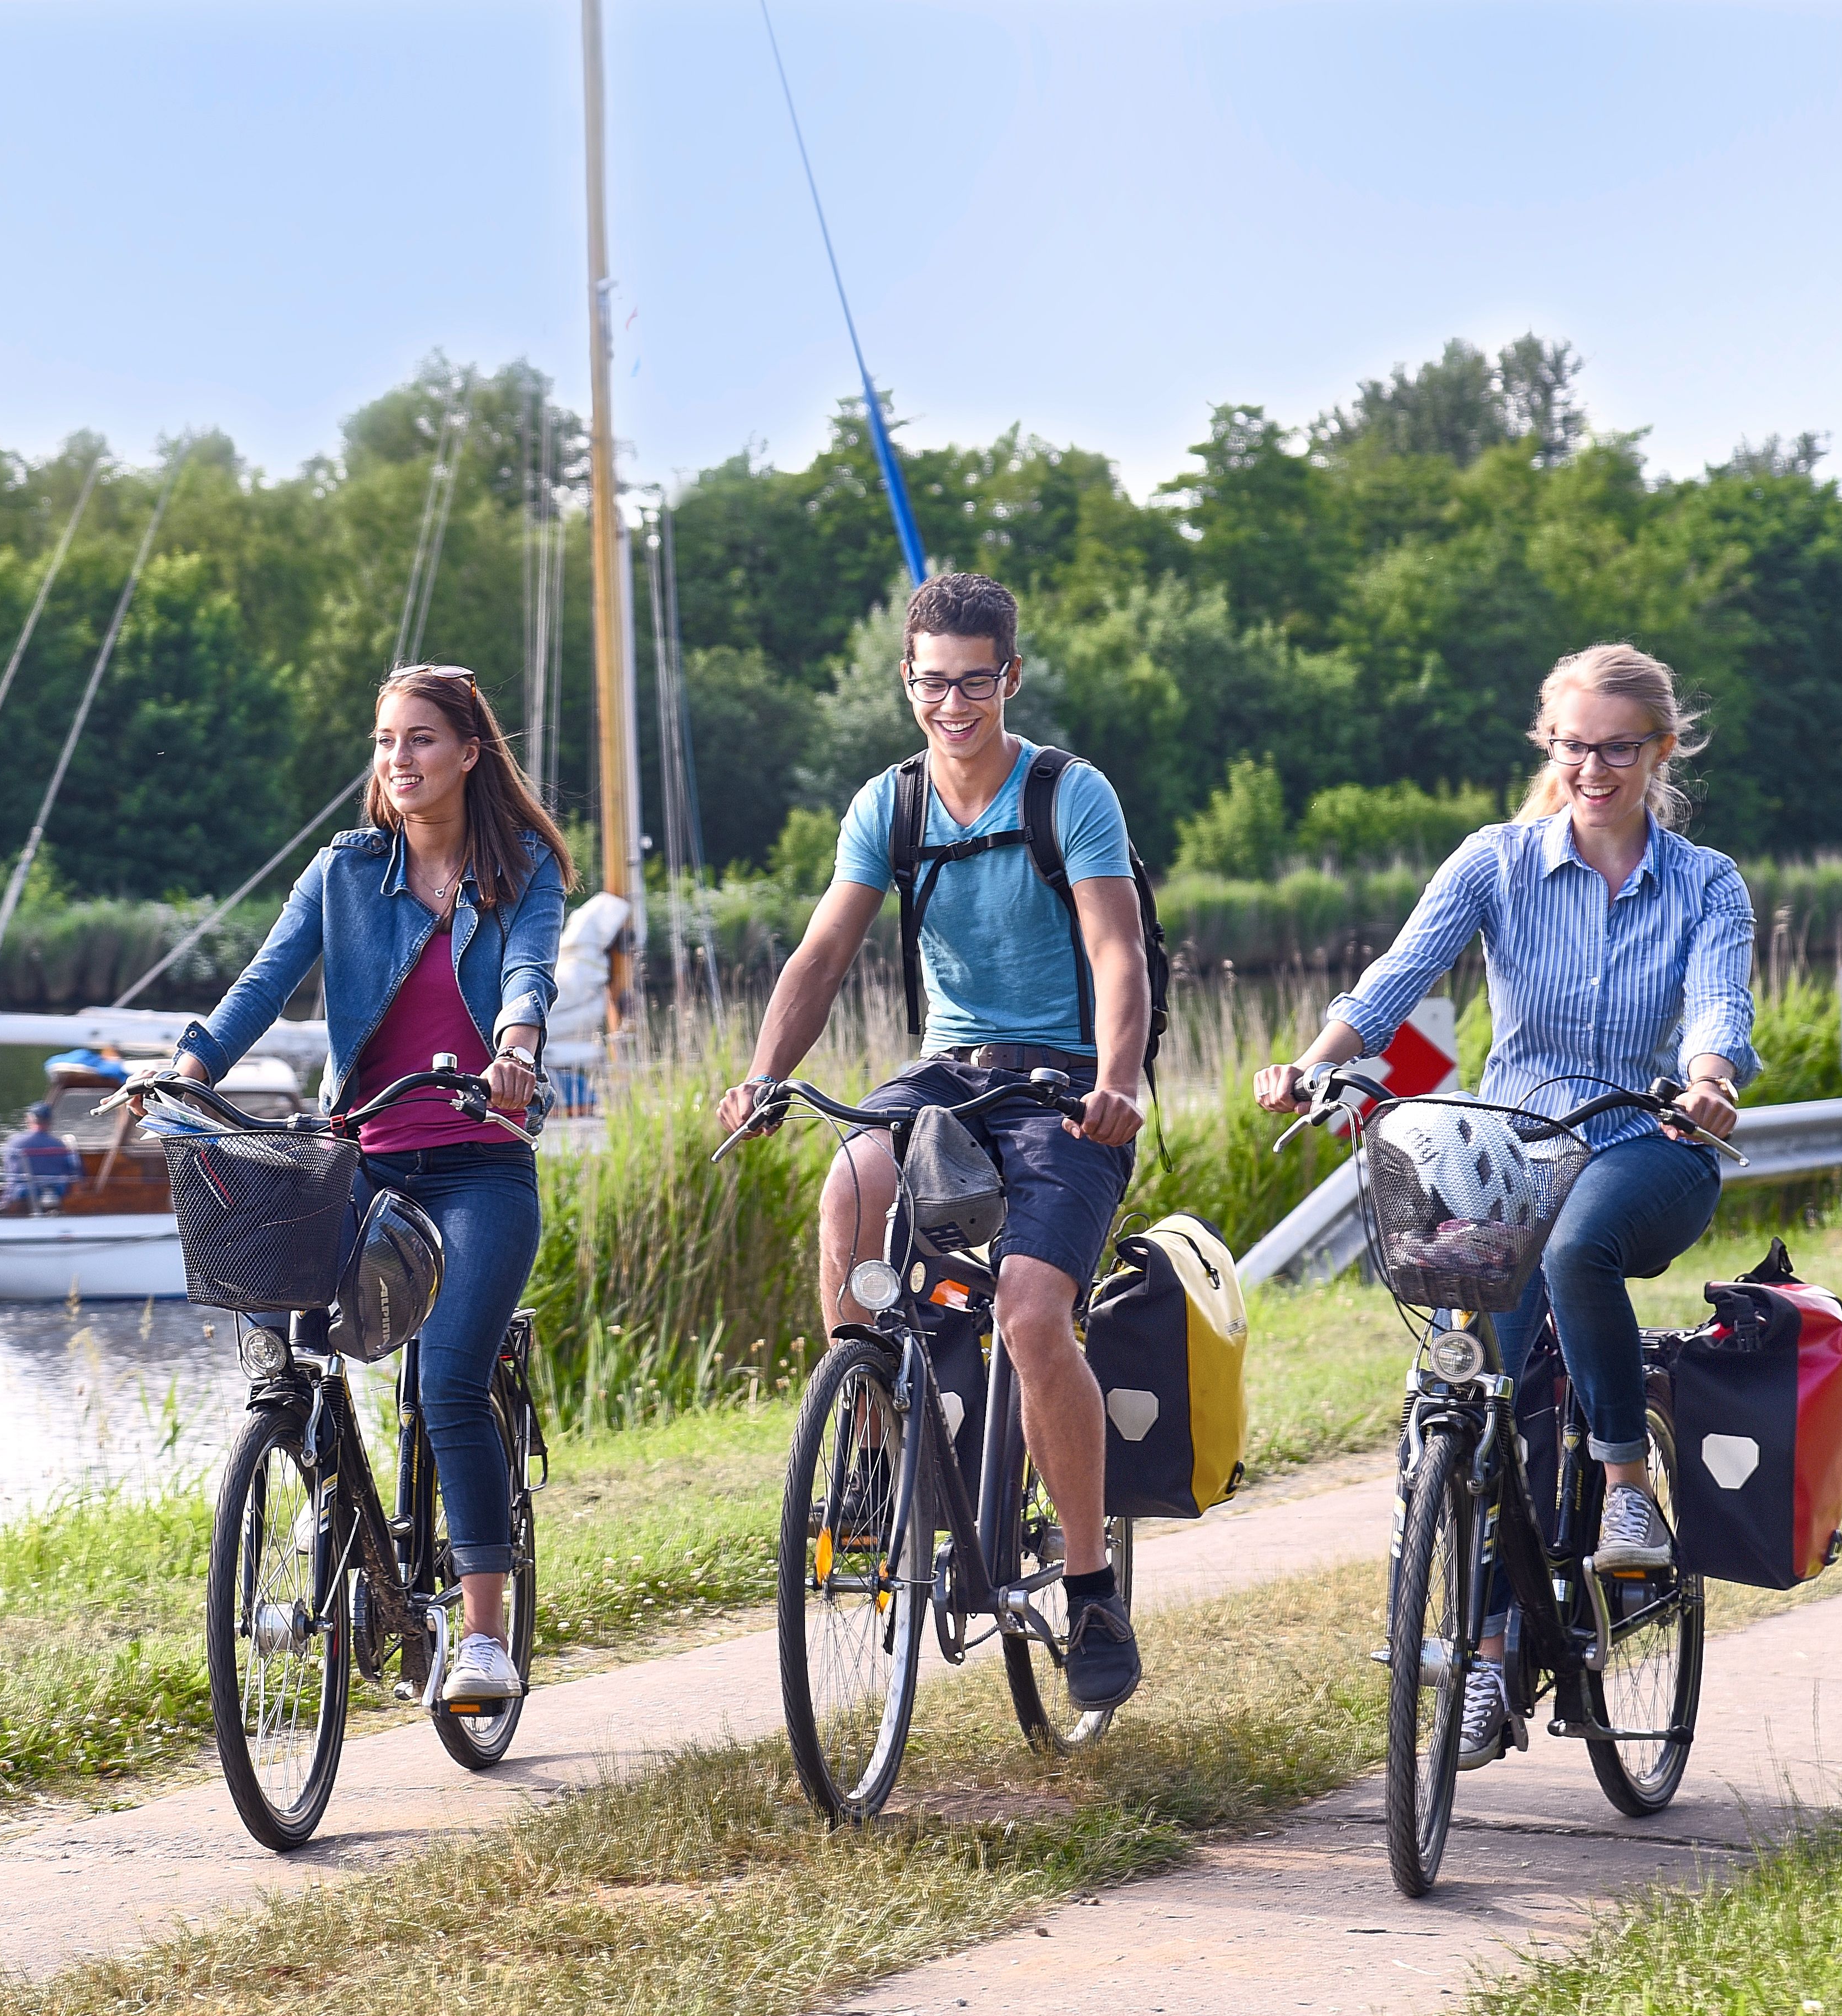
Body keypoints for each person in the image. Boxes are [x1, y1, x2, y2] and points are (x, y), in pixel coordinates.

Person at [1254, 641, 1756, 1769]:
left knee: (1578, 1253)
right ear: (1549, 747)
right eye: (1574, 746)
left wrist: (1712, 1081)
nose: (1593, 768)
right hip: (1513, 1149)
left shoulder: (1704, 881)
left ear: (1659, 751)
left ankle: (1627, 1490)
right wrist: (1314, 1062)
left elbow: (1718, 999)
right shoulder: (1494, 863)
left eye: (1618, 748)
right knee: (1480, 1390)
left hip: (1649, 1141)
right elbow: (1393, 978)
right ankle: (1482, 1660)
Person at [713, 573, 1153, 1709]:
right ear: (906, 682)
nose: (950, 704)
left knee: (1028, 1310)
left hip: (1062, 1087)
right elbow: (818, 958)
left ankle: (1093, 1586)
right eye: (929, 683)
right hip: (948, 1076)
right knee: (851, 1180)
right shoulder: (890, 805)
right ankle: (870, 1446)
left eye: (971, 680)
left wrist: (1116, 1081)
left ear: (1007, 677)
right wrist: (767, 1075)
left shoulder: (1069, 794)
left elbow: (1117, 953)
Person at [148, 664, 568, 1704]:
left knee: (446, 1382)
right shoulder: (344, 872)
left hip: (479, 1161)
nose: (400, 760)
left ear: (469, 752)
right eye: (386, 742)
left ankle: (479, 1637)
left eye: (421, 739)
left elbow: (530, 970)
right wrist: (189, 1069)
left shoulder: (520, 870)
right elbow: (265, 977)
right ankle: (333, 1521)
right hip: (363, 1159)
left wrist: (516, 1043)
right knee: (290, 1353)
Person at [0, 1102, 80, 1213]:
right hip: (52, 1197)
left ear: (29, 1119)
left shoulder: (15, 1143)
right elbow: (72, 1172)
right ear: (50, 1121)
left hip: (19, 1198)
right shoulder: (59, 1146)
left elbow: (9, 1171)